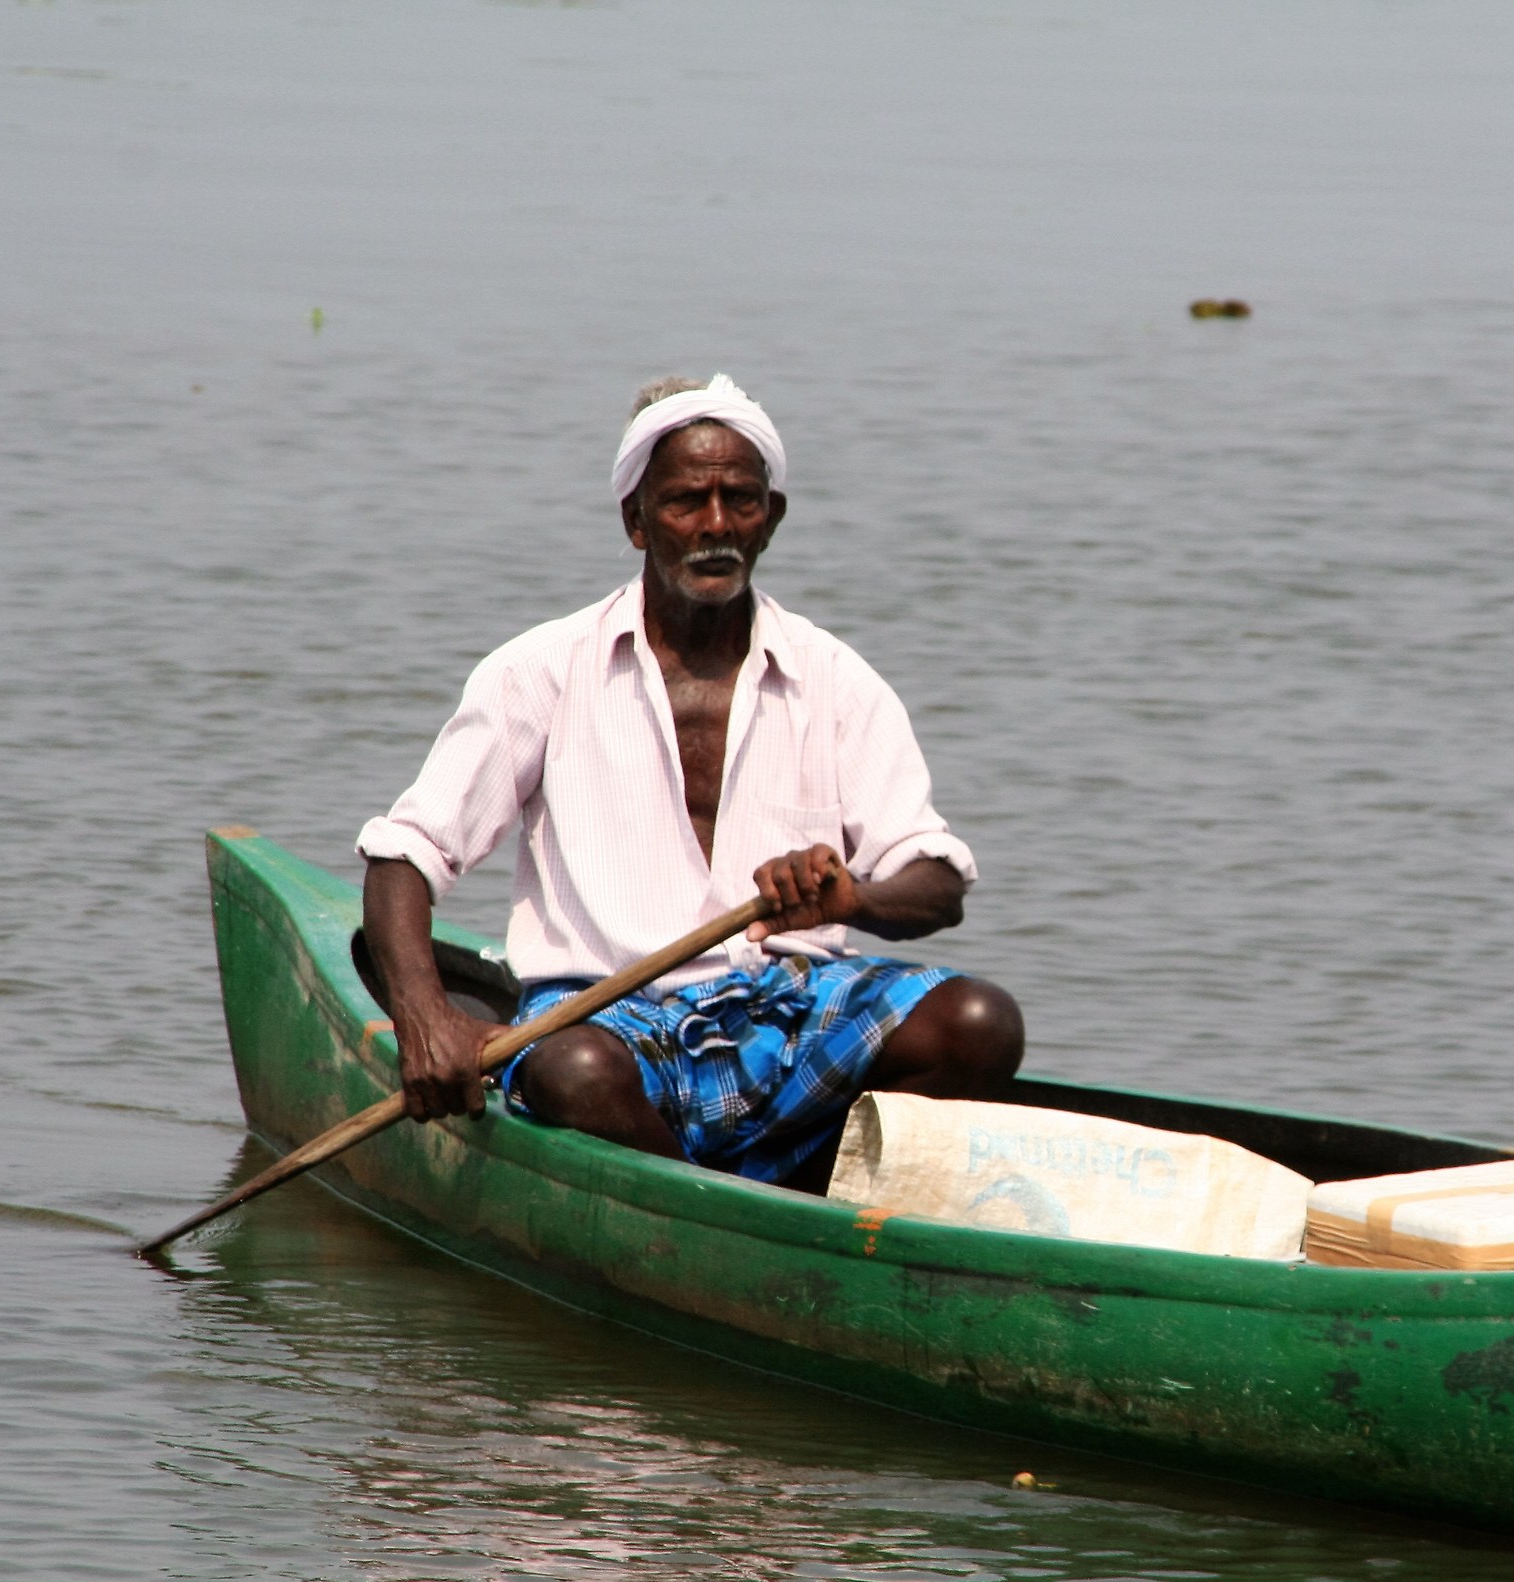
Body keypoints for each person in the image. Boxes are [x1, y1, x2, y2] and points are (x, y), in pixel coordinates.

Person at [355, 374, 1022, 1192]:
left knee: (980, 1024)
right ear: (636, 521)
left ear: (772, 518)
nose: (715, 526)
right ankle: (728, 1217)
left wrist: (852, 898)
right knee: (575, 1074)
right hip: (607, 1014)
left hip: (788, 1006)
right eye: (684, 503)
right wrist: (425, 1021)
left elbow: (936, 882)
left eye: (740, 500)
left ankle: (807, 1190)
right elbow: (405, 858)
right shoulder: (539, 673)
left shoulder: (837, 680)